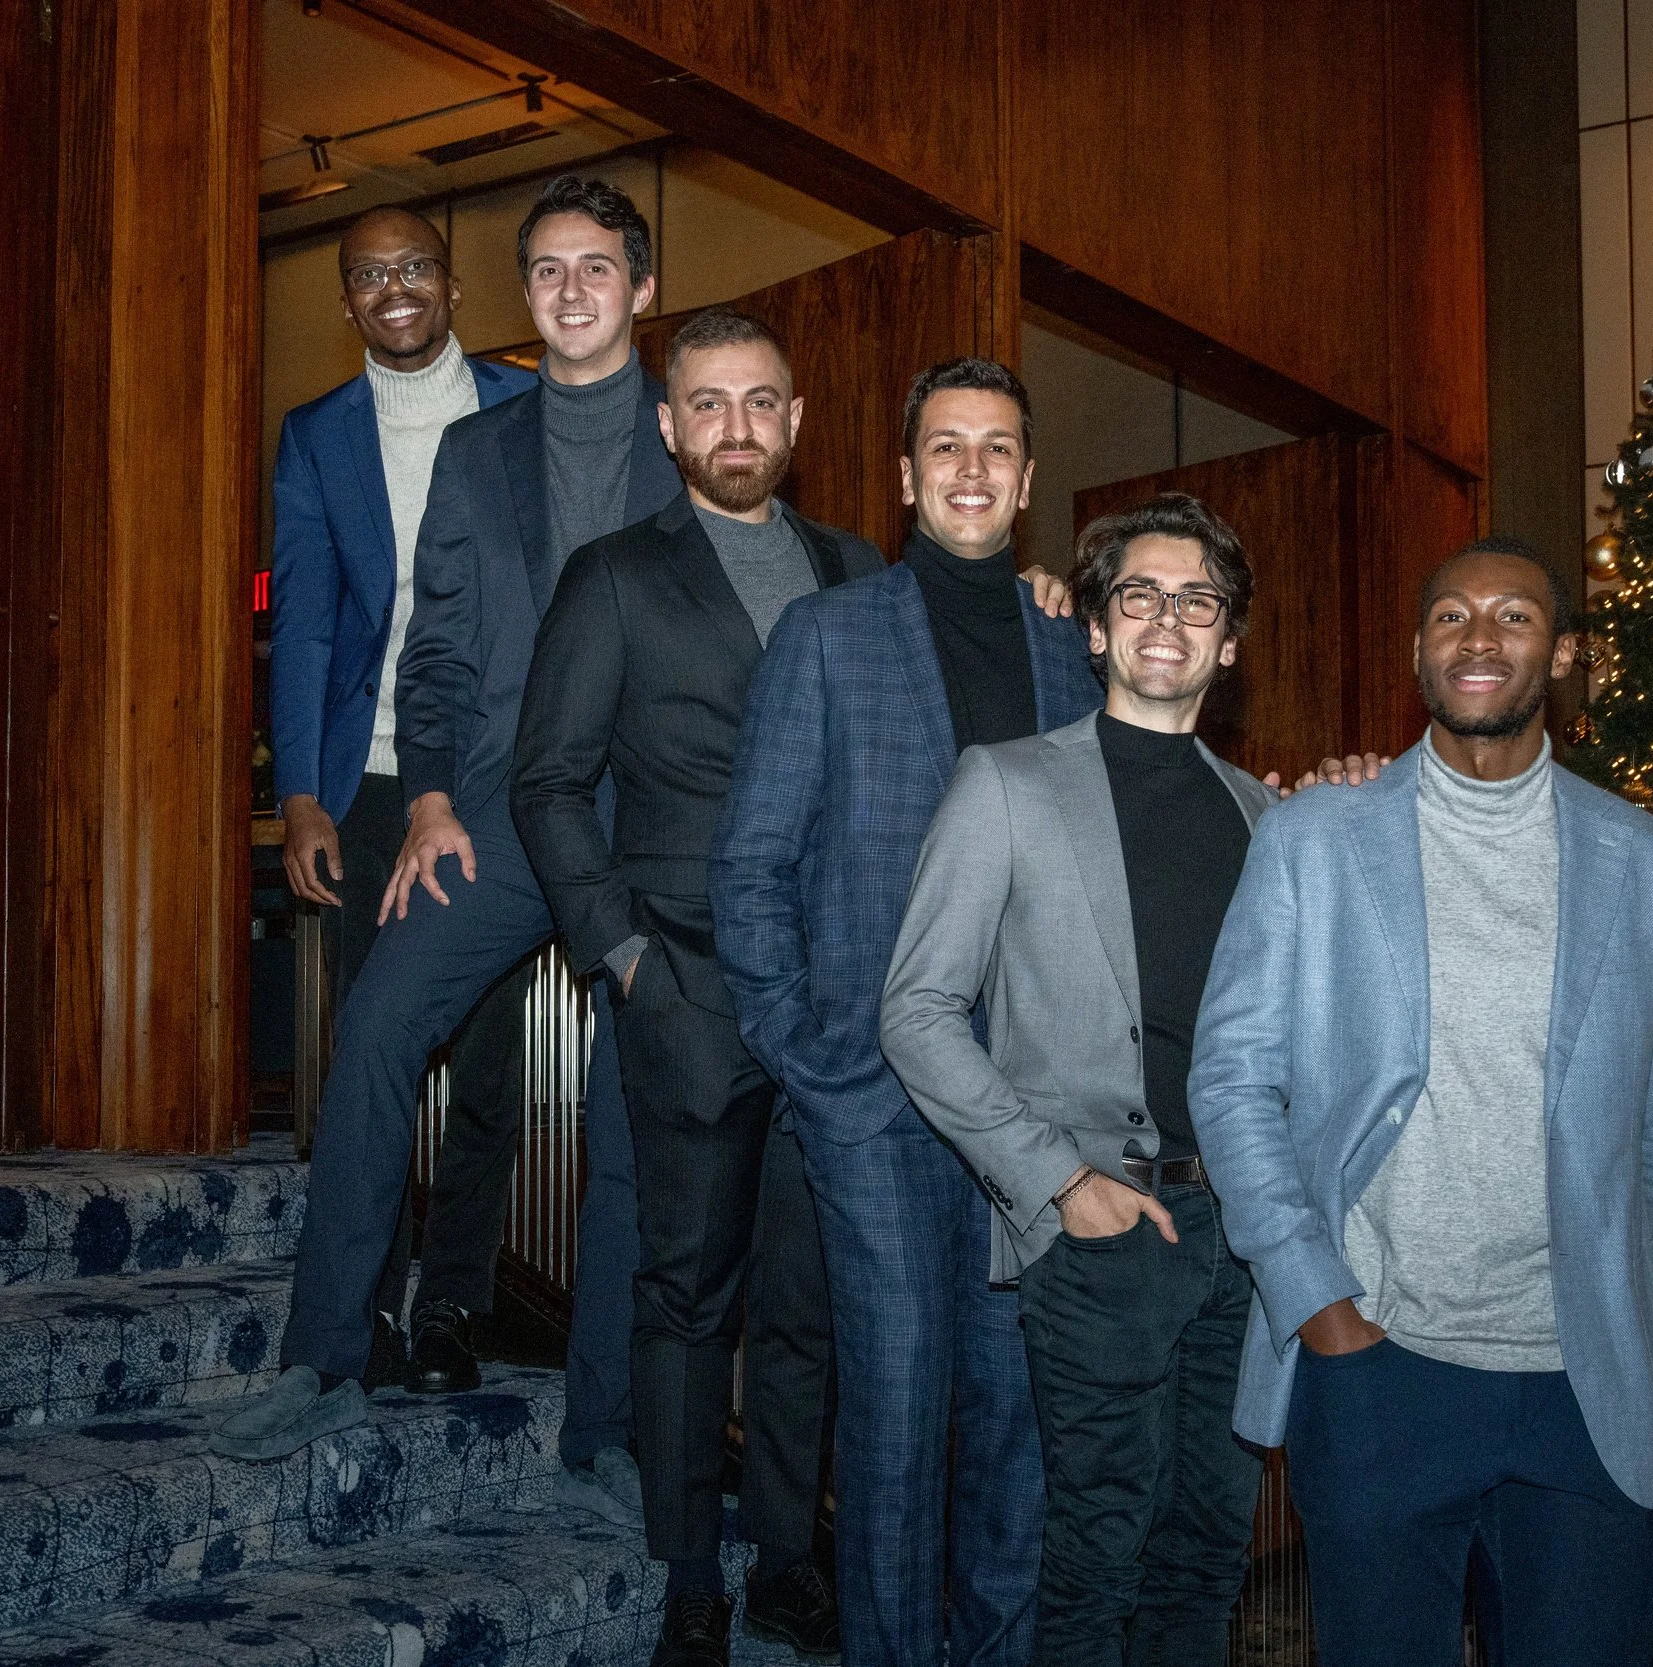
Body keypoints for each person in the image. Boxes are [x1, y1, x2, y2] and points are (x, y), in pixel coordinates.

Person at [1188, 535, 1653, 1666]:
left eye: (1513, 616)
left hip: (1587, 1386)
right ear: (1417, 650)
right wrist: (1320, 1303)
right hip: (1378, 1364)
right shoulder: (1313, 836)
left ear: (1561, 653)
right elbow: (1230, 1077)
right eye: (1452, 615)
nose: (1479, 635)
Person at [217, 179, 662, 1528]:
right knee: (376, 1025)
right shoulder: (480, 449)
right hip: (491, 812)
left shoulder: (681, 425)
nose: (573, 290)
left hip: (643, 825)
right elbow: (435, 638)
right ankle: (326, 1351)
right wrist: (421, 800)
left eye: (600, 268)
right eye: (551, 270)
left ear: (640, 290)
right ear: (521, 291)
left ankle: (605, 1420)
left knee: (635, 1106)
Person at [711, 357, 1104, 1667]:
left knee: (1014, 1427)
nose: (974, 469)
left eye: (999, 447)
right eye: (946, 447)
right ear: (903, 476)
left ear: (1031, 479)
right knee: (894, 1418)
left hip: (1034, 1111)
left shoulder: (1074, 645)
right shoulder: (827, 637)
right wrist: (815, 1067)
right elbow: (751, 869)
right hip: (875, 1103)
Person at [511, 308, 868, 1666]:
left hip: (835, 1005)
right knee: (684, 1295)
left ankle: (785, 1560)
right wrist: (625, 953)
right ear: (669, 427)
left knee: (805, 1299)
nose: (736, 427)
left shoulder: (858, 568)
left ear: (796, 420)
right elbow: (544, 780)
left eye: (760, 402)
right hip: (688, 980)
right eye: (708, 404)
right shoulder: (614, 575)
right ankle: (686, 1581)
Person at [881, 493, 1276, 1667]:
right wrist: (1057, 1182)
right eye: (1139, 594)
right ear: (1095, 627)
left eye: (1196, 599)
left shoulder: (1262, 815)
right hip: (1102, 1225)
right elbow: (915, 1008)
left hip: (1242, 1234)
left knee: (1210, 1544)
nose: (1169, 617)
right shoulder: (1003, 782)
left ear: (1229, 640)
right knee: (1097, 1550)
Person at [264, 207, 537, 1392]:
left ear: (451, 283)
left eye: (412, 266)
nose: (393, 288)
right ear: (345, 301)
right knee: (361, 1045)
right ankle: (365, 1307)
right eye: (368, 275)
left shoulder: (525, 408)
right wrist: (304, 797)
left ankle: (457, 1303)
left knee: (483, 1057)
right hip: (368, 782)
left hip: (498, 776)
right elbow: (308, 625)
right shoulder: (317, 434)